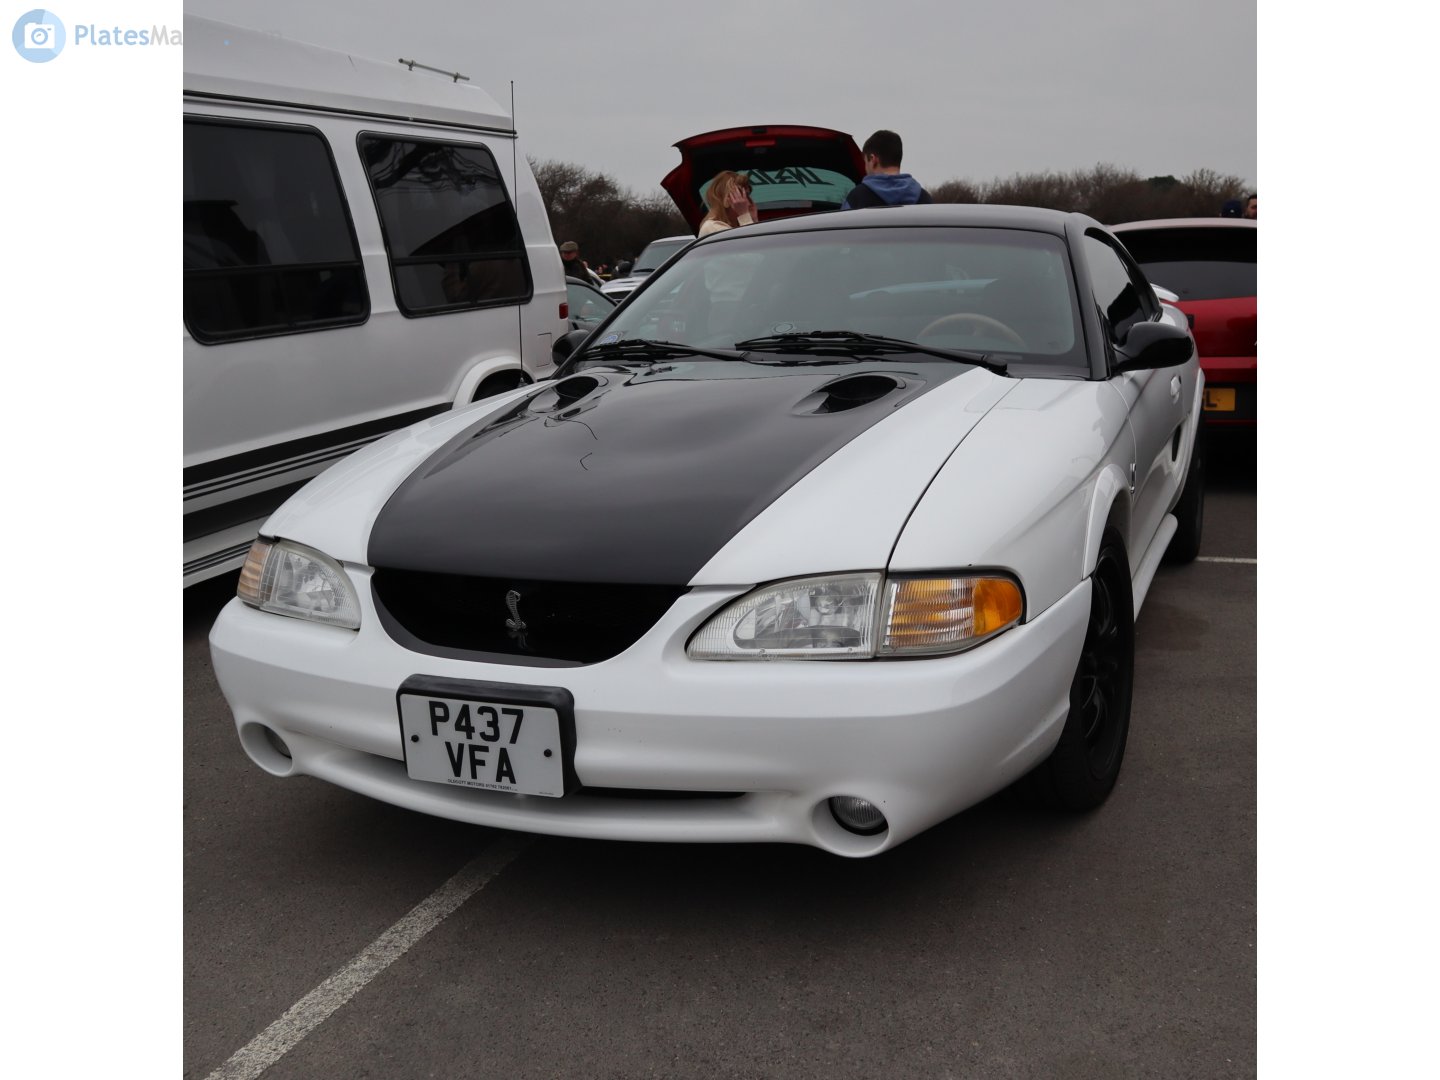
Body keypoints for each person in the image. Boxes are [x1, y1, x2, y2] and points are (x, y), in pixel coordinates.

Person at [840, 130, 932, 209]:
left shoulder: (856, 199)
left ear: (873, 159)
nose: (865, 168)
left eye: (865, 162)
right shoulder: (924, 199)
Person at [698, 171, 759, 236]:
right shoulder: (713, 228)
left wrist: (753, 219)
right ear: (727, 199)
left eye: (747, 195)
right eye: (741, 195)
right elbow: (751, 243)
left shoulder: (736, 225)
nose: (747, 201)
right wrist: (745, 217)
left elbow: (761, 243)